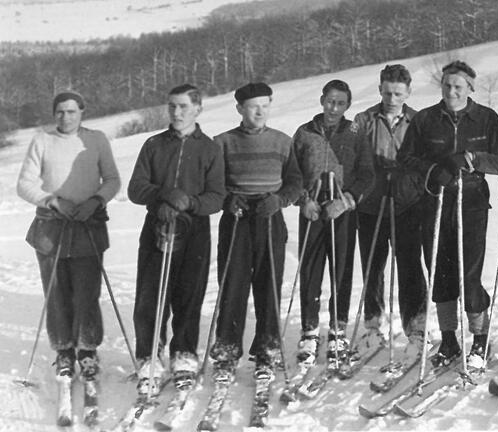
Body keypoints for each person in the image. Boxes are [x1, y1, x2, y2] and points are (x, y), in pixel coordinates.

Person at [398, 61, 498, 370]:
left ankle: (479, 338)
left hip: (472, 203)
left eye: (458, 86)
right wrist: (434, 171)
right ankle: (449, 339)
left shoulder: (486, 119)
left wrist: (472, 159)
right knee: (440, 273)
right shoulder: (425, 120)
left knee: (469, 274)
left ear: (470, 89)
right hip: (435, 203)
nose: (452, 91)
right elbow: (406, 158)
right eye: (448, 85)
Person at [17, 91, 121, 381]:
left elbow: (112, 179)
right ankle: (63, 350)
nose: (66, 117)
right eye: (60, 112)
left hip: (87, 223)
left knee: (87, 292)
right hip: (52, 226)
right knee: (57, 291)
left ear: (82, 112)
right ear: (54, 114)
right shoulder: (42, 140)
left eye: (72, 111)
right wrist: (52, 200)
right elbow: (24, 185)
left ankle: (87, 351)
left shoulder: (96, 139)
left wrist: (96, 200)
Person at [127, 84, 225, 391]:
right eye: (171, 106)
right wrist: (164, 196)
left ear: (197, 108)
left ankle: (183, 354)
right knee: (151, 296)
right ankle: (149, 357)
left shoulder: (209, 148)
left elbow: (217, 196)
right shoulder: (154, 145)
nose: (176, 112)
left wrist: (190, 203)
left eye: (183, 106)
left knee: (189, 294)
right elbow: (136, 188)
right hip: (157, 226)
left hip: (193, 230)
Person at [209, 82, 302, 377]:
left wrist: (280, 199)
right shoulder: (221, 143)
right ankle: (226, 350)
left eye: (265, 104)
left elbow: (295, 181)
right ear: (240, 109)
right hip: (237, 218)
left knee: (268, 285)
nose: (259, 110)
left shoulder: (282, 142)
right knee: (233, 284)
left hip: (269, 216)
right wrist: (227, 199)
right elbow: (212, 184)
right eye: (252, 105)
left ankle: (267, 349)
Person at [292, 79, 374, 365]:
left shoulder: (355, 133)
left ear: (348, 106)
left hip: (341, 207)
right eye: (330, 101)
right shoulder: (305, 133)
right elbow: (292, 174)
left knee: (341, 268)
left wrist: (347, 200)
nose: (333, 108)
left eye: (340, 103)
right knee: (311, 268)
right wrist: (303, 201)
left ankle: (338, 328)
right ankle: (310, 330)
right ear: (321, 100)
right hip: (313, 206)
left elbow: (367, 174)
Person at [352, 64, 427, 360]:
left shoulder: (419, 121)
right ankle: (373, 326)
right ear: (380, 89)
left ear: (407, 92)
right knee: (373, 266)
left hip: (407, 203)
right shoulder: (365, 119)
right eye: (386, 92)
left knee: (409, 265)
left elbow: (425, 161)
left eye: (397, 93)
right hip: (372, 203)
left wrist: (411, 180)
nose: (391, 98)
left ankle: (416, 327)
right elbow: (356, 158)